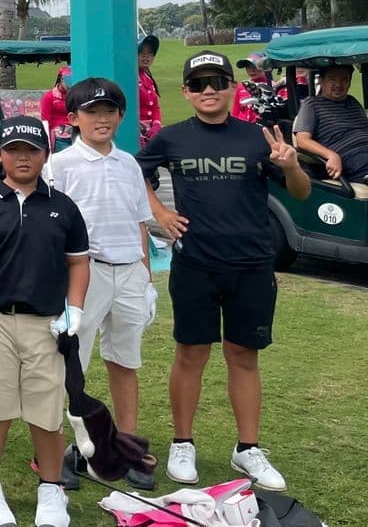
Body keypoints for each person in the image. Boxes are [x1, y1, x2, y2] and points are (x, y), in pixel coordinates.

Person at [138, 51, 310, 492]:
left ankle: (247, 448)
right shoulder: (171, 138)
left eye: (218, 81)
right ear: (186, 92)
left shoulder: (258, 137)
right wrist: (160, 211)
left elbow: (301, 192)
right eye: (199, 84)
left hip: (252, 264)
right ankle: (182, 443)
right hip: (195, 263)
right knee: (190, 353)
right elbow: (134, 174)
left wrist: (291, 165)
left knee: (243, 356)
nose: (209, 90)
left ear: (233, 87)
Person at [0, 116, 90, 527]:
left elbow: (78, 263)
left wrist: (75, 309)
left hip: (45, 323)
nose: (23, 158)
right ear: (0, 155)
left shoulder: (64, 207)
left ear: (46, 154)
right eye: (14, 150)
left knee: (47, 413)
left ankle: (51, 489)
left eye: (32, 150)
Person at [44, 78, 157, 490]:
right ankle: (56, 451)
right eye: (92, 112)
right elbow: (50, 227)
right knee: (69, 367)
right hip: (84, 272)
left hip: (129, 272)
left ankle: (126, 447)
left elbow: (139, 222)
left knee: (125, 362)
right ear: (74, 118)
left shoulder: (129, 164)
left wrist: (146, 279)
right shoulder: (59, 165)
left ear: (122, 116)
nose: (102, 119)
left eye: (110, 111)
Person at [293, 64, 368, 183]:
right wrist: (331, 155)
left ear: (349, 83)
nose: (338, 84)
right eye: (332, 79)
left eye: (344, 80)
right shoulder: (312, 105)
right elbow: (302, 140)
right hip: (351, 156)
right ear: (321, 81)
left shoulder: (352, 101)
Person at [231, 53, 274, 123]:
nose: (251, 70)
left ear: (265, 67)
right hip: (242, 126)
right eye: (248, 66)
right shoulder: (241, 87)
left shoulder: (272, 86)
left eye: (255, 66)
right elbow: (236, 111)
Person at [137, 35, 163, 148]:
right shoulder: (128, 79)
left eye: (150, 52)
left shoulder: (148, 79)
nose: (146, 56)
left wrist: (157, 125)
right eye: (141, 52)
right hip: (137, 134)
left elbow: (155, 107)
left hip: (150, 134)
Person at [40, 66, 73, 151]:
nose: (69, 87)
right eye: (68, 83)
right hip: (59, 137)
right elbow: (45, 121)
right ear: (61, 79)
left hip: (76, 134)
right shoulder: (49, 97)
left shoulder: (75, 95)